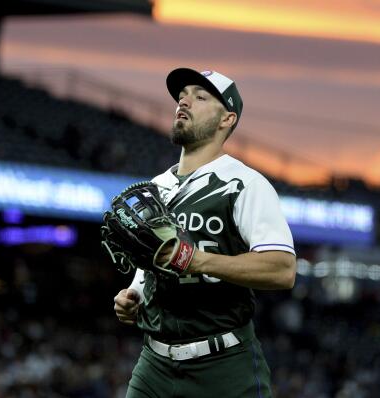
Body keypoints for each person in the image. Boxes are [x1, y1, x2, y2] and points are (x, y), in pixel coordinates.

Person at [113, 67, 297, 398]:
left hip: (224, 365)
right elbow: (149, 262)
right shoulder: (156, 186)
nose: (184, 102)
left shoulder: (245, 184)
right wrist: (133, 294)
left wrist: (194, 259)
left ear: (227, 119)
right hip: (154, 364)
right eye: (182, 96)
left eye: (200, 97)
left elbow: (282, 269)